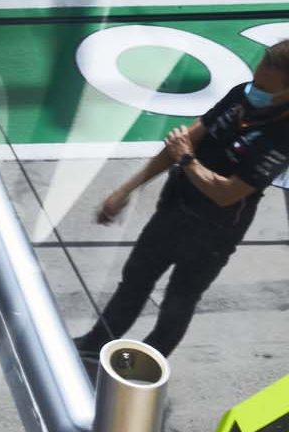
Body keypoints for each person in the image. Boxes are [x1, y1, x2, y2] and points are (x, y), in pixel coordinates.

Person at [77, 41, 289, 362]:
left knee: (179, 300)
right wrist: (126, 190)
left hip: (214, 233)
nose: (253, 90)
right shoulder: (240, 96)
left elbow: (227, 192)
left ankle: (144, 368)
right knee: (134, 279)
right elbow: (183, 140)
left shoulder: (283, 134)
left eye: (263, 87)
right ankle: (96, 345)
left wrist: (188, 161)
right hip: (174, 209)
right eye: (255, 80)